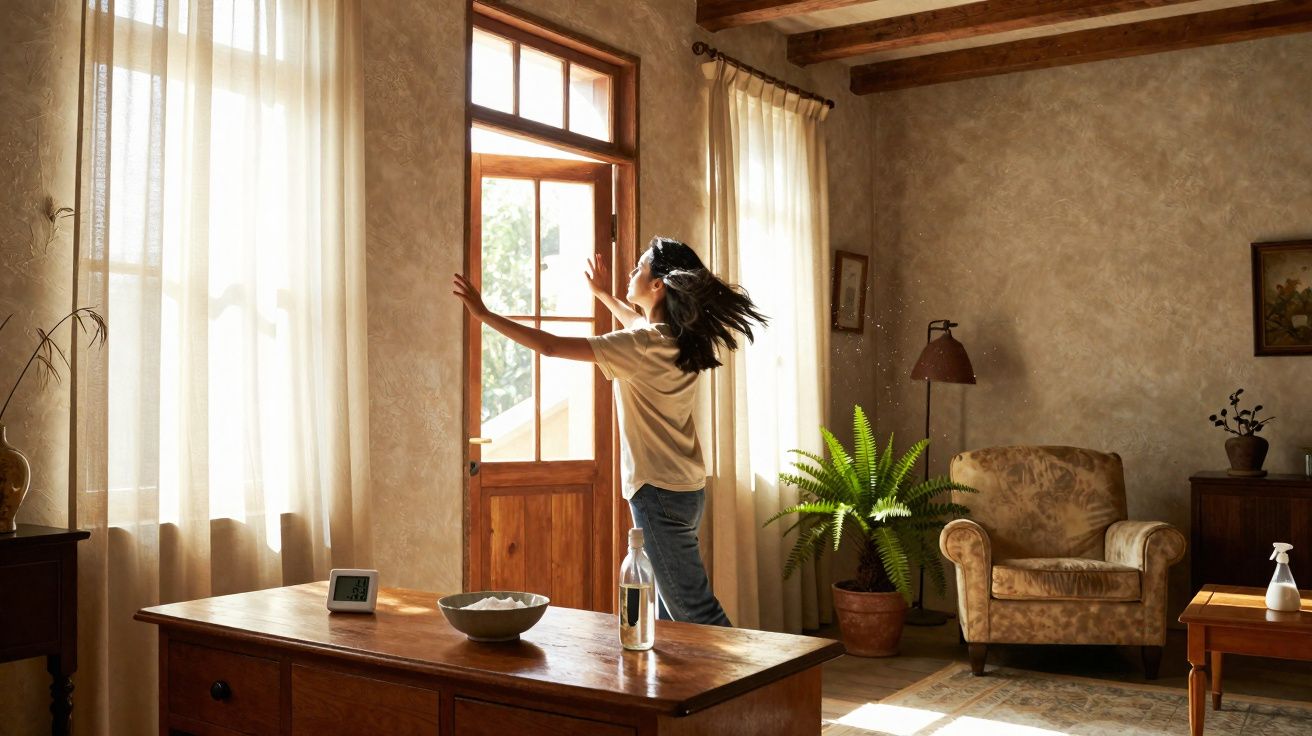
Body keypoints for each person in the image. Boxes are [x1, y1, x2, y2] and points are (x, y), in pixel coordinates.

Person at [452, 236, 766, 626]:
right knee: (670, 612)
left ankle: (750, 684)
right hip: (686, 489)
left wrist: (485, 315)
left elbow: (550, 347)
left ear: (657, 285)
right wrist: (602, 295)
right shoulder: (678, 339)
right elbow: (635, 322)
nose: (631, 273)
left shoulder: (643, 344)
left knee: (692, 612)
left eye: (640, 267)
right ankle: (680, 686)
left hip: (657, 491)